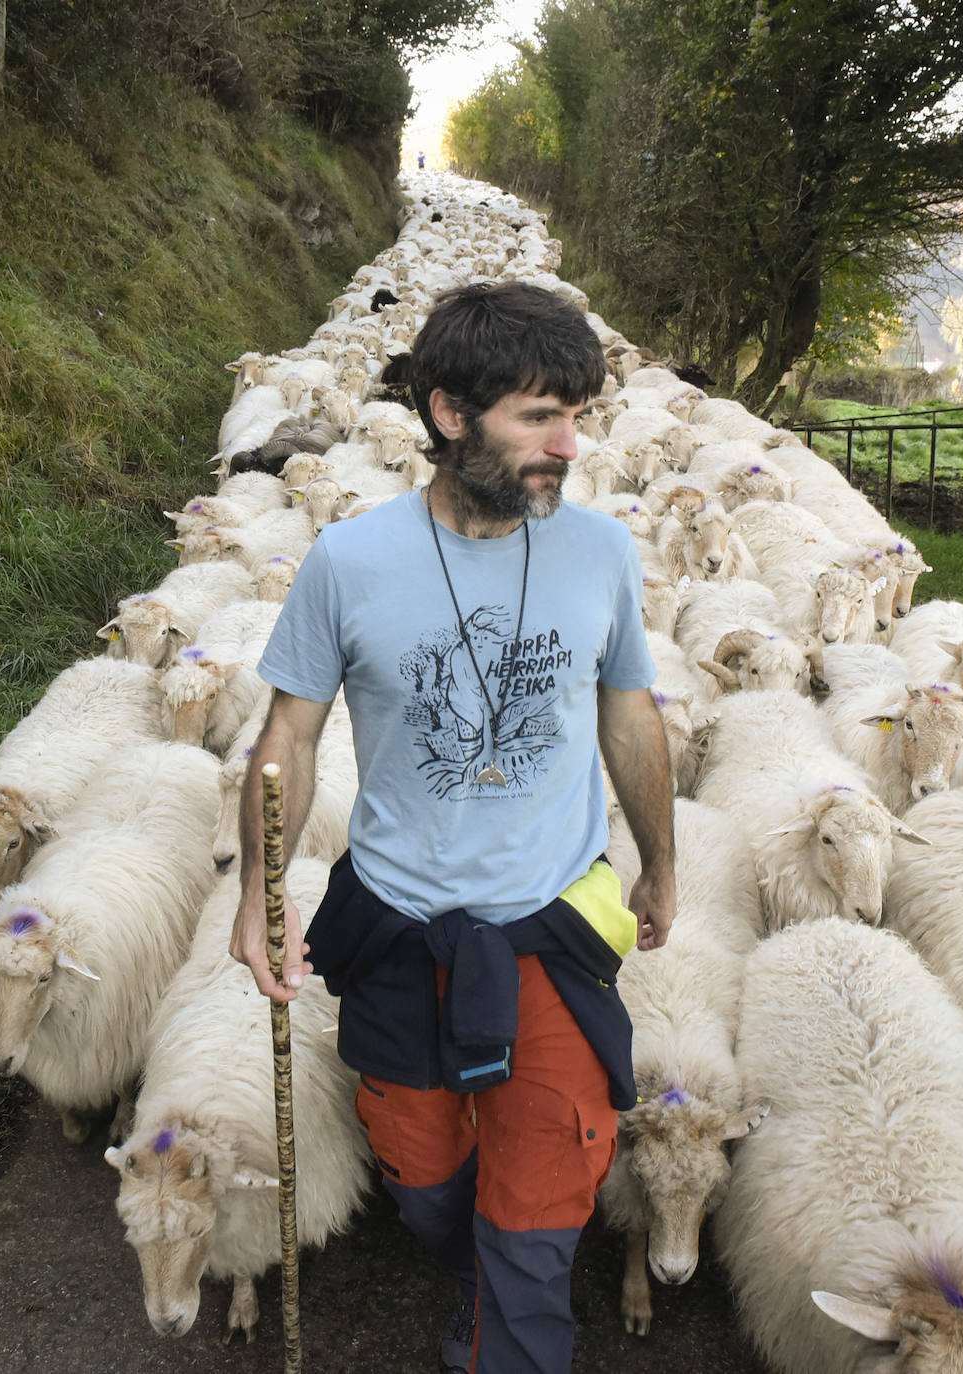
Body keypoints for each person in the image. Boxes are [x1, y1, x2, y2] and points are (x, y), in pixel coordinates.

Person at [230, 281, 676, 1373]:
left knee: (538, 1208)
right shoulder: (348, 561)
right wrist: (256, 892)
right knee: (426, 1186)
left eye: (575, 417)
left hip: (549, 924)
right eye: (537, 417)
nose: (565, 446)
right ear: (446, 414)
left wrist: (661, 862)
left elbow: (629, 716)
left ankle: (509, 1311)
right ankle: (471, 1257)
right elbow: (286, 738)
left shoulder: (601, 554)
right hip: (397, 923)